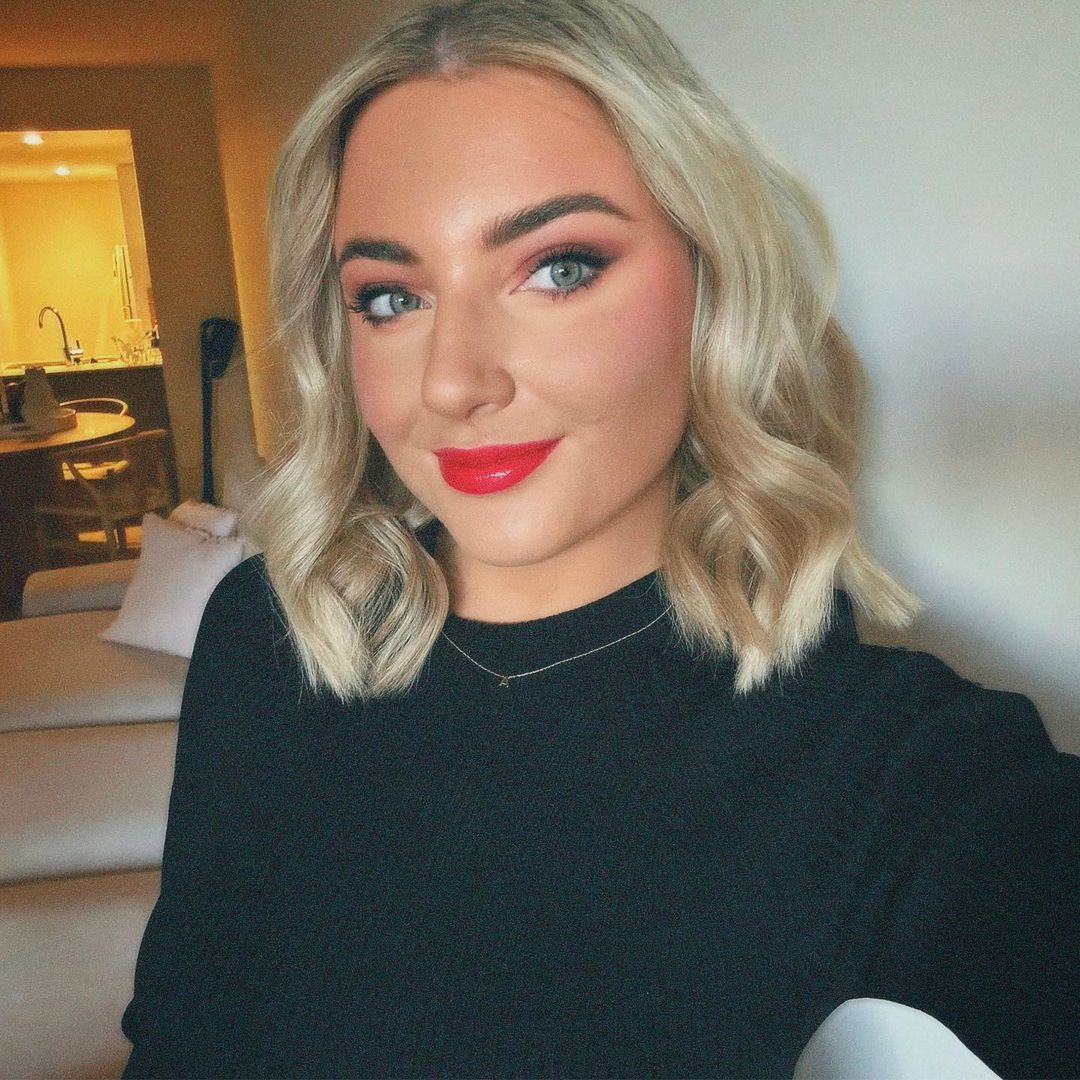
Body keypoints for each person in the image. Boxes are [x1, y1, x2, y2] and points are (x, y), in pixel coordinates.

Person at [121, 1, 1079, 1076]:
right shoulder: (268, 632)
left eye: (560, 268)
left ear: (711, 282)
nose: (453, 382)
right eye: (389, 297)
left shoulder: (891, 768)